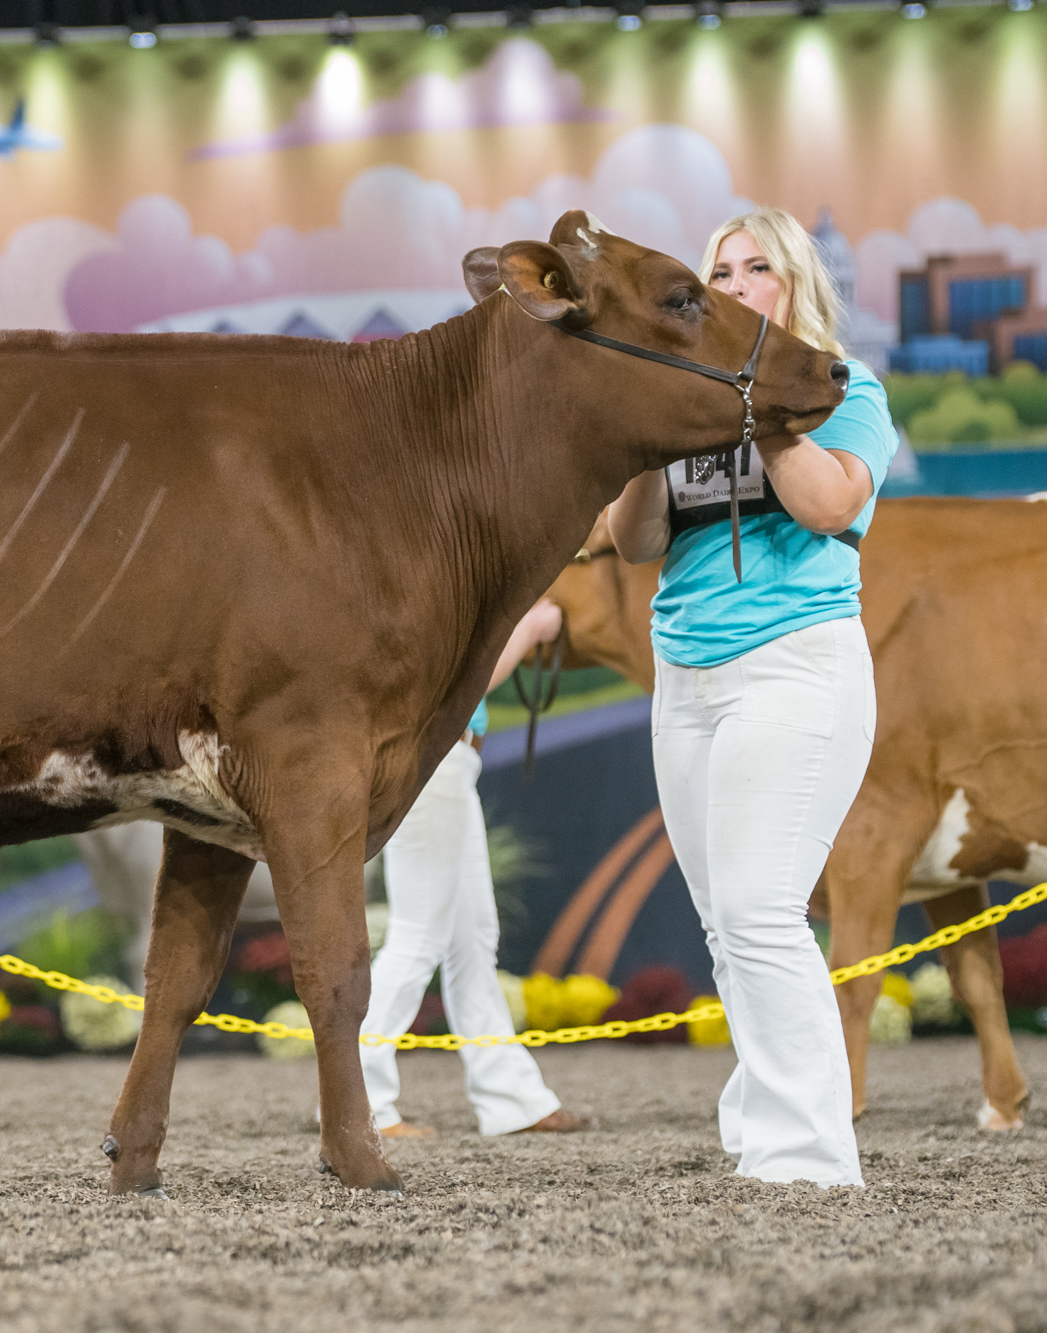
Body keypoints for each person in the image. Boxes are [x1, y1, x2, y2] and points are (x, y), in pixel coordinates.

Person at [606, 207, 895, 1187]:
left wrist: (760, 398)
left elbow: (827, 503)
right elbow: (636, 541)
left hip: (794, 665)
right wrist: (649, 431)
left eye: (755, 268)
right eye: (718, 275)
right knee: (723, 921)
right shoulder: (686, 400)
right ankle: (759, 1121)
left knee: (758, 908)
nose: (733, 286)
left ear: (795, 282)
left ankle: (808, 1152)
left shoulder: (847, 389)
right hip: (684, 677)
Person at [356, 599, 593, 1139]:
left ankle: (511, 1098)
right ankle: (359, 1099)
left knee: (472, 938)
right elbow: (461, 678)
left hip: (448, 759)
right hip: (430, 756)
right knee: (419, 935)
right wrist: (531, 627)